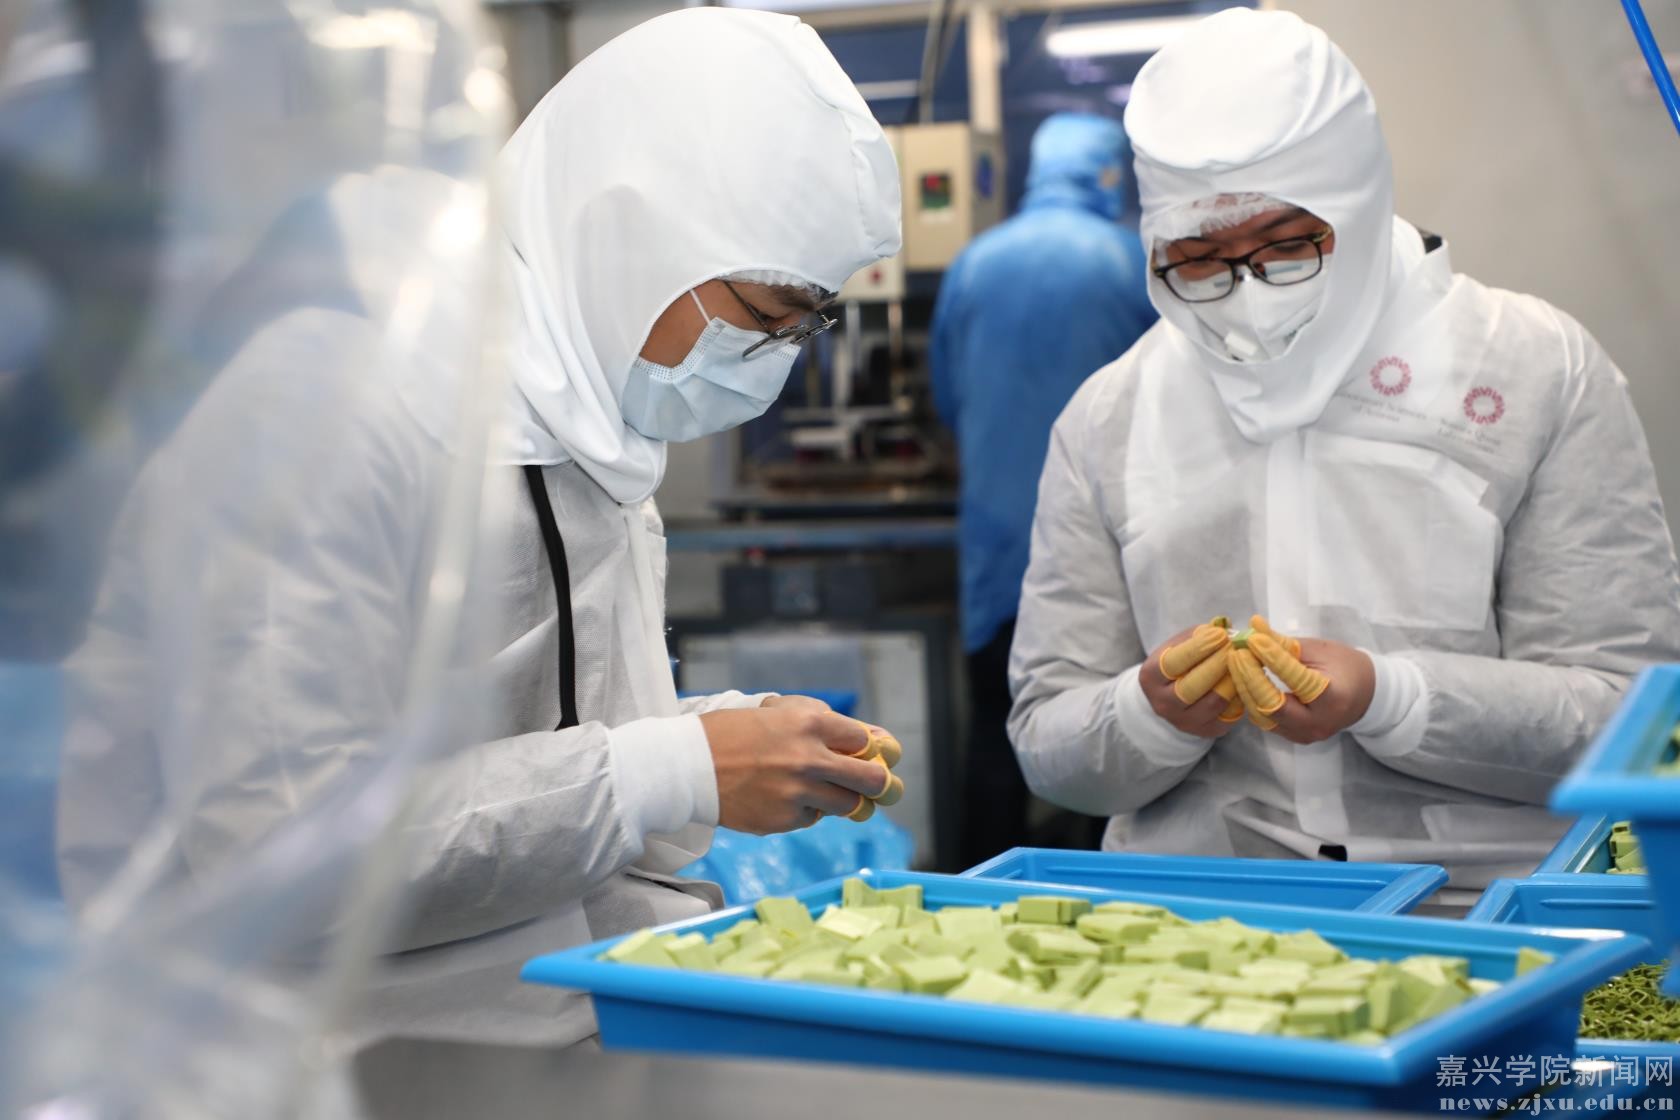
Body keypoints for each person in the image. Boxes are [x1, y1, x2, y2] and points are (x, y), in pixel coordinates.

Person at [58, 7, 902, 1048]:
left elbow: (537, 735)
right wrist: (676, 767)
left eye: (806, 326)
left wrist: (718, 739)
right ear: (633, 228)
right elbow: (279, 844)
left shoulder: (586, 404)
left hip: (559, 1017)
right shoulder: (326, 408)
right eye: (766, 315)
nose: (774, 357)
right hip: (332, 1061)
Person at [1007, 8, 1680, 900]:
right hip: (1201, 911)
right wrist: (1147, 714)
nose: (1247, 297)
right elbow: (1047, 740)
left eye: (1288, 246)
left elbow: (1630, 717)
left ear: (1358, 202)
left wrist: (1392, 698)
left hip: (1485, 908)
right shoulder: (1112, 415)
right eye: (1199, 261)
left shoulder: (1530, 368)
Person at [930, 113, 1156, 867]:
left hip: (999, 544)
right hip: (1112, 540)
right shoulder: (1130, 262)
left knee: (996, 735)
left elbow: (947, 397)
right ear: (1110, 175)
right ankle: (1110, 898)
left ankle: (979, 897)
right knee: (1122, 736)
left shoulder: (974, 263)